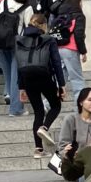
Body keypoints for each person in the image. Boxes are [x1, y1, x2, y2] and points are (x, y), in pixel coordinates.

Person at [16, 11, 64, 159]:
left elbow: (19, 64)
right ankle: (44, 127)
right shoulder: (49, 40)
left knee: (38, 112)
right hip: (44, 76)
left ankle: (38, 150)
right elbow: (56, 63)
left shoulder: (20, 40)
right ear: (43, 25)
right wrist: (61, 84)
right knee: (55, 105)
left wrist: (21, 87)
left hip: (27, 78)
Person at [49, 83, 91, 176]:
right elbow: (63, 146)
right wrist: (66, 152)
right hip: (77, 164)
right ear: (81, 102)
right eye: (90, 100)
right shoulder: (71, 119)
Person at [53, 0, 88, 97]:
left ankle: (49, 103)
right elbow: (78, 35)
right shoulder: (79, 16)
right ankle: (80, 103)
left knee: (61, 79)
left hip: (58, 48)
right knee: (77, 79)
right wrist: (83, 51)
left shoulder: (60, 15)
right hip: (70, 48)